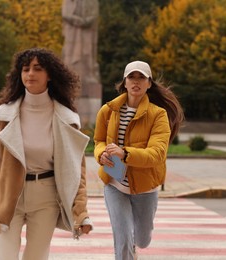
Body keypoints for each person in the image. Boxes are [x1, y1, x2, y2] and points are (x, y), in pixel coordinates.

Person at [0, 47, 93, 260]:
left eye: (37, 69)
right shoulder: (5, 114)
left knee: (36, 257)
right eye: (25, 69)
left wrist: (81, 212)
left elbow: (77, 172)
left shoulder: (67, 118)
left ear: (50, 76)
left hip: (46, 197)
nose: (30, 74)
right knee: (5, 256)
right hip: (7, 194)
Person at [93, 61, 184, 259]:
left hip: (145, 187)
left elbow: (157, 154)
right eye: (131, 77)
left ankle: (137, 242)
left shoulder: (158, 115)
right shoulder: (108, 111)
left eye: (141, 77)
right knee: (123, 238)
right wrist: (101, 154)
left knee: (142, 239)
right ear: (124, 82)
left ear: (149, 83)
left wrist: (124, 153)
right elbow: (98, 141)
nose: (136, 81)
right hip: (115, 183)